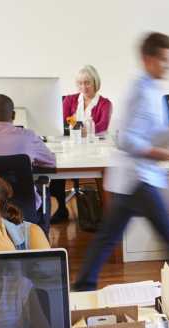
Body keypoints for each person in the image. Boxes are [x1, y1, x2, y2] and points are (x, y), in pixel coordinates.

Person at [72, 33, 169, 292]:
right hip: (137, 177)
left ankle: (82, 286)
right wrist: (158, 153)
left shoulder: (154, 90)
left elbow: (153, 130)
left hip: (134, 178)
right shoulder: (139, 91)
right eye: (164, 60)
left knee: (108, 237)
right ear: (148, 59)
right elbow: (124, 138)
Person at [51, 65, 113, 224]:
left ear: (95, 83)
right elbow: (62, 123)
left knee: (103, 171)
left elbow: (102, 126)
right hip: (71, 146)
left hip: (94, 148)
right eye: (80, 83)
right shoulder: (69, 100)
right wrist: (81, 129)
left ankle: (103, 212)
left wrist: (80, 129)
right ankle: (60, 210)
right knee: (56, 169)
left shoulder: (105, 104)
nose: (83, 87)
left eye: (87, 83)